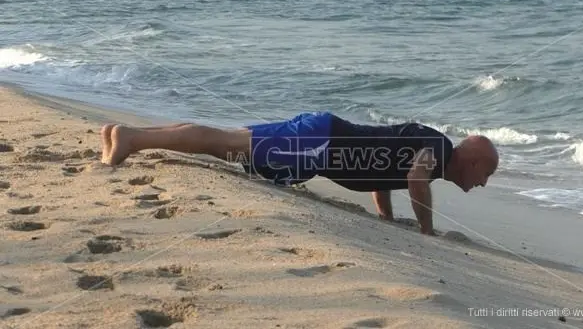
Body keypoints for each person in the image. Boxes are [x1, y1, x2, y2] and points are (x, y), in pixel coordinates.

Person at [99, 111, 498, 235]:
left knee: (226, 141)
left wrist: (387, 218)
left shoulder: (433, 147)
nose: (482, 183)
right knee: (224, 144)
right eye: (486, 174)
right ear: (474, 161)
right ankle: (131, 139)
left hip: (320, 134)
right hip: (320, 140)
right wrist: (427, 232)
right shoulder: (440, 149)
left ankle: (128, 134)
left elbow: (383, 174)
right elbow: (412, 178)